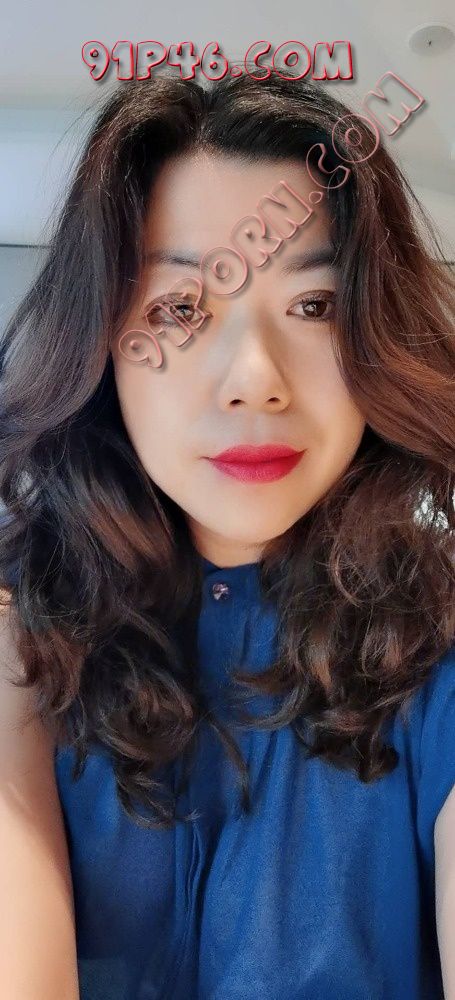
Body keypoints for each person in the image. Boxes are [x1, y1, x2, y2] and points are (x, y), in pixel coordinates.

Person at [0, 69, 454, 1000]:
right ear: (104, 347)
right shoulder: (24, 639)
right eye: (179, 310)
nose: (254, 379)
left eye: (314, 307)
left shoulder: (437, 644)